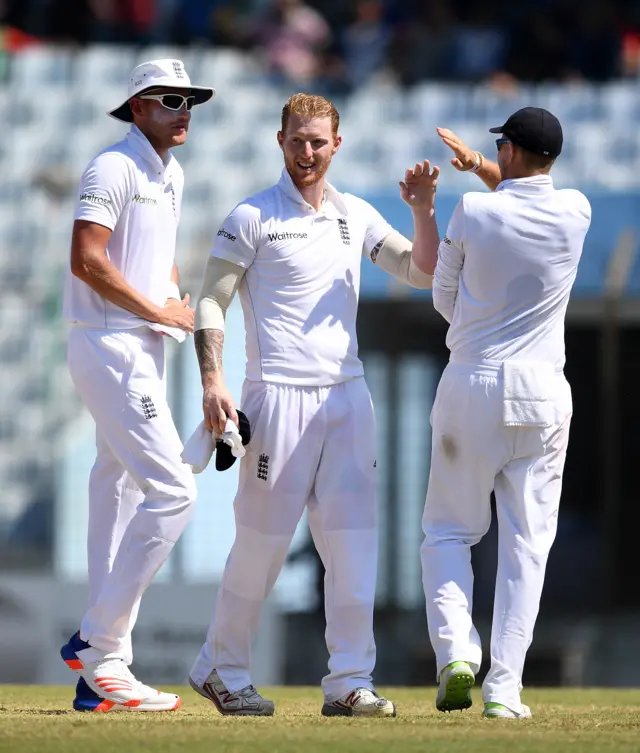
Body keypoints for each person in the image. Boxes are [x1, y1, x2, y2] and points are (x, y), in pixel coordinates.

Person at [188, 92, 438, 716]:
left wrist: (424, 211)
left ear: (336, 145)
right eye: (297, 140)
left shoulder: (354, 214)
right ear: (281, 141)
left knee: (354, 548)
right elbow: (212, 300)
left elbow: (420, 271)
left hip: (348, 399)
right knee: (262, 545)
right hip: (277, 398)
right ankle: (224, 669)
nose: (307, 152)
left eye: (318, 142)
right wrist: (214, 379)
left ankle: (349, 681)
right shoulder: (252, 215)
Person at [418, 108, 591, 718]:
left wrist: (469, 323)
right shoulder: (577, 212)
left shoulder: (473, 211)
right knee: (526, 545)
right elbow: (521, 198)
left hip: (472, 381)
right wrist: (486, 168)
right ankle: (504, 690)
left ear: (511, 150)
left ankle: (458, 653)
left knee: (447, 531)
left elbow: (443, 294)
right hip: (543, 392)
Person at [60, 59, 215, 713]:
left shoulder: (170, 172)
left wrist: (171, 297)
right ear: (139, 105)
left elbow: (155, 253)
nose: (185, 110)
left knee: (117, 487)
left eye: (191, 100)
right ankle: (98, 642)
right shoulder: (112, 166)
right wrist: (158, 312)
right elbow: (86, 258)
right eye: (172, 99)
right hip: (110, 345)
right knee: (175, 491)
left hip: (139, 349)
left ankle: (102, 673)